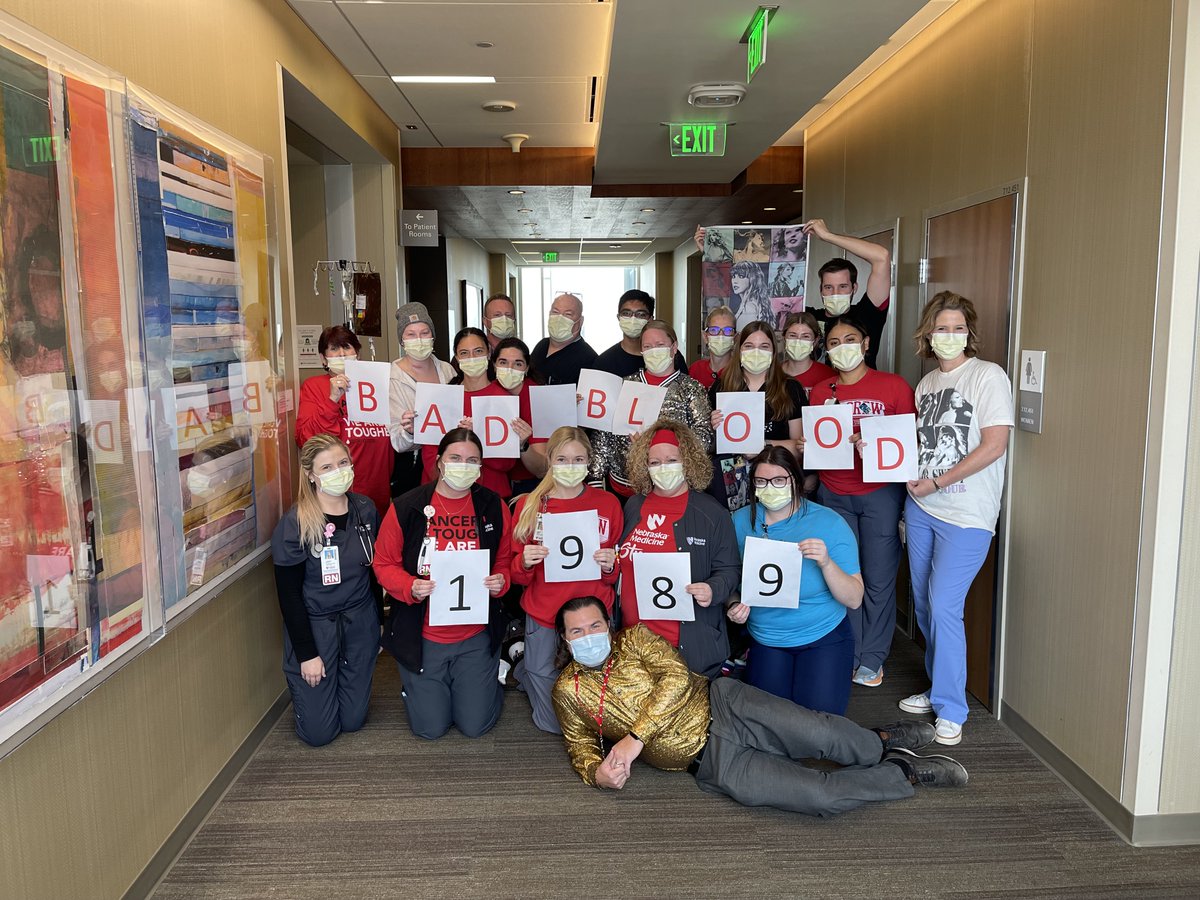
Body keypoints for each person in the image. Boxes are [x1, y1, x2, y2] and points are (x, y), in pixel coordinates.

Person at [552, 597, 969, 814]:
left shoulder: (635, 638)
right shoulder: (568, 691)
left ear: (608, 624)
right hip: (710, 763)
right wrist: (596, 774)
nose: (588, 635)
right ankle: (905, 772)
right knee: (817, 798)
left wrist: (633, 740)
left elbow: (677, 679)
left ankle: (878, 742)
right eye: (577, 631)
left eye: (595, 625)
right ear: (566, 640)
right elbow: (580, 747)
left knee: (819, 734)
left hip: (724, 705)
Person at [900, 292, 1013, 746]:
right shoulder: (926, 384)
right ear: (928, 333)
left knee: (945, 604)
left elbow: (994, 445)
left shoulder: (987, 376)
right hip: (923, 508)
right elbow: (914, 444)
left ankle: (951, 708)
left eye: (957, 328)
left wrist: (939, 482)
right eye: (941, 328)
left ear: (970, 332)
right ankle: (937, 686)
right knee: (925, 604)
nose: (949, 336)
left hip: (967, 514)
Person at [373, 428, 514, 740]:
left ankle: (488, 677)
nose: (463, 465)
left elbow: (504, 560)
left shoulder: (494, 506)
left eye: (472, 460)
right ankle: (418, 687)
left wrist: (500, 581)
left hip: (475, 634)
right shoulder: (407, 507)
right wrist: (409, 585)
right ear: (438, 462)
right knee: (430, 729)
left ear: (480, 467)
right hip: (424, 635)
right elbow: (383, 564)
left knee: (475, 726)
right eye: (455, 458)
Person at [808, 315, 916, 690]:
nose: (842, 348)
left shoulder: (894, 386)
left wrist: (874, 441)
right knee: (843, 577)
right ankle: (849, 652)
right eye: (834, 342)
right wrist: (811, 448)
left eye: (850, 339)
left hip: (879, 493)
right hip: (833, 493)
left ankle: (872, 658)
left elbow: (908, 445)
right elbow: (820, 443)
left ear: (867, 343)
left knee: (880, 577)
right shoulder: (821, 391)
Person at [727, 447, 862, 716]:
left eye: (779, 480)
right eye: (761, 481)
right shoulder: (739, 522)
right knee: (771, 723)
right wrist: (734, 604)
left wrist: (826, 563)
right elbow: (729, 579)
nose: (770, 487)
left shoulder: (829, 523)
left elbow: (855, 598)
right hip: (767, 637)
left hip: (822, 635)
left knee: (820, 724)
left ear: (796, 482)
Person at [271, 434, 381, 747]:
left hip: (360, 620)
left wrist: (378, 626)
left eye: (343, 463)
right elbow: (289, 596)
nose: (338, 471)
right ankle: (314, 687)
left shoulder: (365, 510)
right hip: (316, 626)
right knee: (319, 735)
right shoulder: (295, 524)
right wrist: (307, 654)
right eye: (327, 466)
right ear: (311, 474)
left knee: (353, 721)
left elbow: (372, 572)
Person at [510, 427, 622, 732]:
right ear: (549, 460)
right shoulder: (529, 505)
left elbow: (614, 574)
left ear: (589, 461)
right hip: (546, 611)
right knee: (553, 724)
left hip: (593, 611)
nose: (570, 466)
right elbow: (515, 573)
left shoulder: (608, 503)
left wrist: (611, 565)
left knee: (597, 700)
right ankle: (524, 667)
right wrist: (525, 561)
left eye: (578, 459)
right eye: (562, 459)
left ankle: (528, 666)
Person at [618, 421, 739, 678]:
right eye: (655, 462)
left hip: (685, 645)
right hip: (633, 641)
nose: (664, 468)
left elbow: (729, 569)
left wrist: (712, 589)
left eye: (672, 459)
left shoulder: (712, 513)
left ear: (688, 461)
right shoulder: (633, 506)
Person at [590, 320, 713, 500]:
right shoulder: (624, 384)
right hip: (622, 486)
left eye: (660, 345)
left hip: (671, 485)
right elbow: (603, 433)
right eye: (647, 346)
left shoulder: (691, 388)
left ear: (674, 347)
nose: (654, 350)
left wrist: (661, 445)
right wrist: (595, 476)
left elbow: (704, 435)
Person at [708, 321, 806, 512]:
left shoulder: (790, 388)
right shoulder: (722, 386)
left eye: (764, 346)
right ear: (739, 349)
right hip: (727, 478)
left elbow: (799, 447)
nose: (756, 352)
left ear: (773, 351)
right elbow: (708, 444)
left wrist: (763, 444)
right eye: (749, 346)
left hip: (772, 477)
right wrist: (712, 425)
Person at [295, 325, 394, 516]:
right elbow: (305, 438)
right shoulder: (314, 386)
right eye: (334, 348)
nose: (342, 353)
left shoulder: (377, 383)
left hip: (378, 491)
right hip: (337, 492)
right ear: (324, 359)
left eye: (347, 347)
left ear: (357, 353)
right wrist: (331, 400)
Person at [419, 327, 519, 498]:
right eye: (464, 353)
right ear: (457, 358)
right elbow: (430, 455)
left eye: (478, 351)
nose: (472, 358)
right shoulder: (442, 397)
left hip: (490, 495)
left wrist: (477, 439)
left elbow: (506, 462)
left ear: (489, 352)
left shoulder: (504, 398)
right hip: (442, 495)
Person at [801, 218, 892, 368]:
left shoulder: (868, 314)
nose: (835, 293)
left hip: (860, 390)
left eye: (843, 286)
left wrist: (828, 236)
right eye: (829, 287)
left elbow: (882, 257)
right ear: (821, 290)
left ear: (854, 288)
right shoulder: (807, 317)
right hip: (816, 390)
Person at [389, 302, 455, 496]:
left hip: (450, 461)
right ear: (402, 340)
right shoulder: (392, 377)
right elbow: (397, 441)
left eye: (424, 332)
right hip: (412, 469)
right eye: (411, 334)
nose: (419, 339)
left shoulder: (447, 370)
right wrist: (409, 432)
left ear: (433, 335)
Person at [493, 336, 550, 495]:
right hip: (495, 480)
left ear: (526, 368)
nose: (509, 369)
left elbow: (541, 469)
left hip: (530, 485)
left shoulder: (538, 398)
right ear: (494, 365)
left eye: (518, 364)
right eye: (503, 362)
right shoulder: (488, 393)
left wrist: (522, 445)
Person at [592, 289, 687, 378]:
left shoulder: (668, 356)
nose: (633, 319)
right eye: (626, 313)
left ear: (650, 319)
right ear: (619, 317)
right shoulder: (604, 362)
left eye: (641, 314)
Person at [529, 292, 597, 385]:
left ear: (580, 321)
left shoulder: (588, 360)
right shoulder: (542, 346)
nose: (559, 319)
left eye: (568, 314)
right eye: (555, 312)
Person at [780, 311, 836, 399]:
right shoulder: (772, 374)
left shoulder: (829, 376)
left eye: (805, 336)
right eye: (792, 335)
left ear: (815, 341)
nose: (798, 341)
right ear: (784, 338)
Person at [688, 305, 736, 390]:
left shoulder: (739, 371)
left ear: (735, 337)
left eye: (728, 331)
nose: (721, 335)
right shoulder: (696, 370)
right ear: (705, 337)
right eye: (714, 330)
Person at [729, 260, 773, 331]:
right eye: (733, 276)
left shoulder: (750, 307)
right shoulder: (751, 303)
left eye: (741, 276)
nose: (735, 281)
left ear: (753, 279)